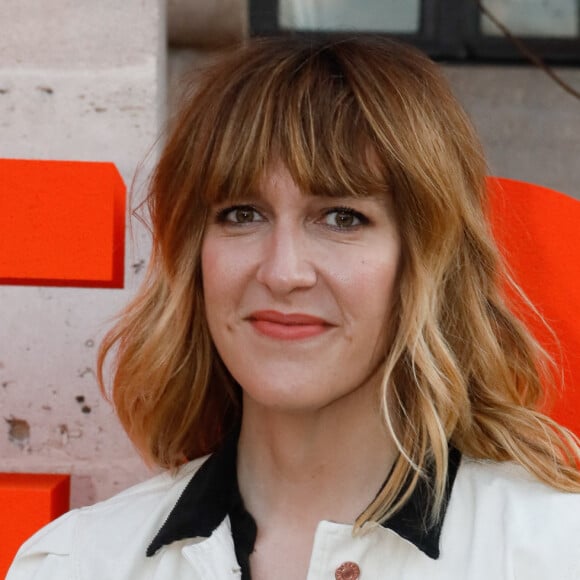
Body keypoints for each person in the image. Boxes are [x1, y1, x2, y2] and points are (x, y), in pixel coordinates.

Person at [8, 35, 580, 580]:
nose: (283, 272)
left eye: (341, 217)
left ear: (426, 260)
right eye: (242, 213)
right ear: (194, 256)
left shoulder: (553, 550)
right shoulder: (78, 563)